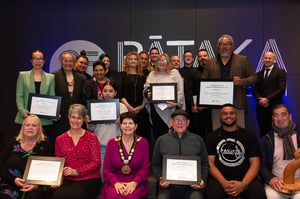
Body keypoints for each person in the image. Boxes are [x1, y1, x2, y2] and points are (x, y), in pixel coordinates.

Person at [206, 103, 266, 199]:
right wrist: (223, 182)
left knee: (258, 192)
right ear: (220, 117)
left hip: (245, 178)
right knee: (211, 193)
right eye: (225, 114)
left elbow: (256, 164)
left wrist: (243, 184)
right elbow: (210, 163)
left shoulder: (249, 136)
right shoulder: (211, 137)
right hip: (220, 179)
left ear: (236, 115)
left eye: (231, 113)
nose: (228, 116)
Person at [203, 34, 258, 130]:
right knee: (217, 132)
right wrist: (203, 100)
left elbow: (254, 77)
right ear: (218, 47)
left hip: (237, 103)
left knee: (239, 132)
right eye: (221, 44)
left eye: (227, 44)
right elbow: (204, 82)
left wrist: (242, 81)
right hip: (216, 105)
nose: (224, 47)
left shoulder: (243, 60)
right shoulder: (210, 62)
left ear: (232, 46)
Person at [151, 109, 208, 199]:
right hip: (168, 187)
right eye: (176, 120)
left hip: (192, 187)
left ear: (188, 122)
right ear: (171, 122)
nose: (180, 123)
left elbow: (205, 164)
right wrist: (160, 178)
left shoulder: (198, 140)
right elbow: (155, 164)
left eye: (183, 120)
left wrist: (202, 179)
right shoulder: (161, 140)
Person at [52, 104, 101, 199]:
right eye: (73, 117)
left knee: (75, 195)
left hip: (90, 178)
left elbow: (96, 163)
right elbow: (59, 163)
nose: (75, 121)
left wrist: (76, 171)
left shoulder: (92, 137)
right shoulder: (59, 139)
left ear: (84, 119)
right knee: (55, 195)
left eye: (79, 118)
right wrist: (58, 178)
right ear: (68, 117)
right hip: (68, 179)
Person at [0, 115, 53, 199]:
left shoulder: (46, 144)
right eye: (27, 125)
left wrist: (37, 184)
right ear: (23, 127)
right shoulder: (13, 143)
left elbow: (51, 169)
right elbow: (1, 165)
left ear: (39, 128)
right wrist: (13, 180)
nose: (30, 128)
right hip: (11, 183)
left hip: (36, 186)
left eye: (34, 125)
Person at [100, 112, 149, 199]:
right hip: (115, 182)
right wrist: (116, 183)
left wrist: (135, 182)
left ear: (136, 126)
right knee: (113, 195)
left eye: (130, 123)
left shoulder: (143, 142)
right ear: (120, 126)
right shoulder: (112, 143)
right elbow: (107, 169)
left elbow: (145, 168)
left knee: (131, 196)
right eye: (124, 123)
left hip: (136, 182)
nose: (127, 126)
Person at [87, 81, 128, 178]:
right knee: (102, 177)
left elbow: (128, 129)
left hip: (118, 147)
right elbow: (91, 129)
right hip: (100, 147)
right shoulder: (95, 106)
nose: (108, 93)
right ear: (101, 93)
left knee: (117, 176)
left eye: (111, 91)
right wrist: (89, 123)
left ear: (115, 92)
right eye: (105, 91)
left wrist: (122, 123)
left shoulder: (121, 107)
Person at [260, 104, 300, 199]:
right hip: (277, 183)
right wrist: (270, 178)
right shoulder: (266, 140)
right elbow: (261, 165)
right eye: (276, 115)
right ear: (272, 118)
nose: (280, 118)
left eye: (283, 114)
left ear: (290, 116)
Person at [144, 53, 185, 140]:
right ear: (156, 62)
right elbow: (146, 90)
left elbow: (180, 91)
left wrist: (176, 103)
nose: (162, 62)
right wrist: (148, 94)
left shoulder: (174, 73)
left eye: (164, 60)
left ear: (168, 62)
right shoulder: (152, 74)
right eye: (160, 60)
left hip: (172, 110)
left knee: (174, 137)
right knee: (159, 138)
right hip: (156, 112)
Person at [15, 50, 55, 127]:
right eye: (35, 58)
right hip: (26, 117)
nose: (38, 61)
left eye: (40, 58)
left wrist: (53, 113)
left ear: (44, 61)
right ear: (31, 60)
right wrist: (23, 112)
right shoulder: (23, 75)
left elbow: (52, 97)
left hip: (44, 119)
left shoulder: (51, 78)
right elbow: (19, 96)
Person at [51, 52, 84, 141]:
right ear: (61, 62)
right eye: (66, 61)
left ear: (74, 63)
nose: (68, 63)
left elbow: (81, 98)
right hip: (60, 119)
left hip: (75, 119)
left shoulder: (79, 77)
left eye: (71, 61)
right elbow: (51, 96)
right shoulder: (53, 76)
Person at [254, 51, 287, 137]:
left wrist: (267, 99)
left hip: (275, 108)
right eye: (265, 58)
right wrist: (260, 100)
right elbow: (255, 90)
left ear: (274, 60)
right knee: (263, 132)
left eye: (270, 58)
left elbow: (281, 89)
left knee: (277, 132)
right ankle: (264, 150)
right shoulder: (258, 74)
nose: (267, 60)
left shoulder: (280, 72)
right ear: (262, 60)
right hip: (261, 109)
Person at [121, 51, 151, 143]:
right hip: (126, 110)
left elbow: (147, 92)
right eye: (131, 59)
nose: (133, 61)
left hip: (142, 110)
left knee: (143, 138)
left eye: (135, 59)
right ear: (127, 61)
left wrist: (142, 106)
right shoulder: (122, 75)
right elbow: (120, 93)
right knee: (128, 136)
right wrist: (129, 107)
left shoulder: (144, 76)